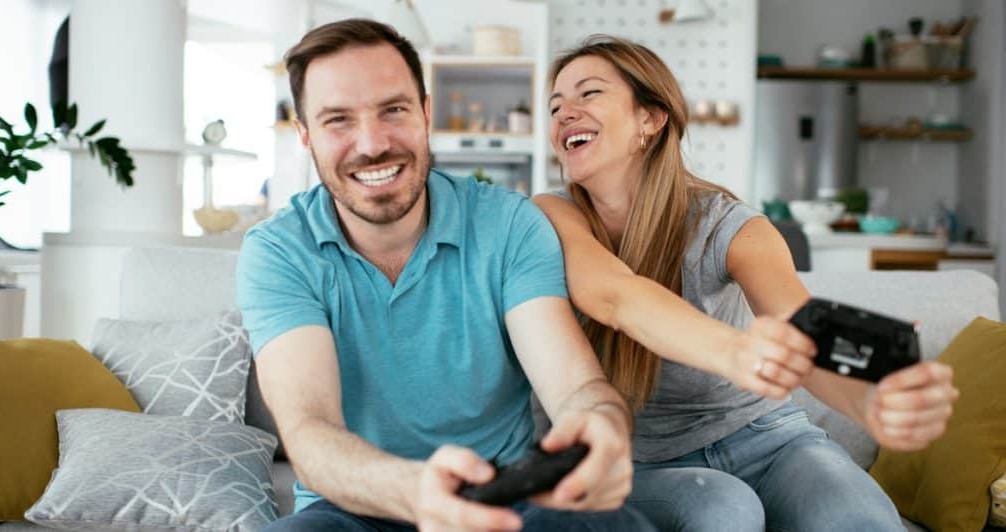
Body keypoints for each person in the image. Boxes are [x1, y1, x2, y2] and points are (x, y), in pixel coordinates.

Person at [236, 20, 654, 532]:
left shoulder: (508, 223)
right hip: (354, 509)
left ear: (426, 112)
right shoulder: (278, 250)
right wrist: (414, 492)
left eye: (393, 110)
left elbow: (575, 388)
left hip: (507, 497)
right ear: (305, 135)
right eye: (338, 120)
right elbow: (310, 431)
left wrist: (602, 425)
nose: (372, 144)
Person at [536, 34, 959, 531]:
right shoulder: (551, 216)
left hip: (769, 437)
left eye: (588, 94)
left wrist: (868, 403)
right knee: (723, 510)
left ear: (650, 118)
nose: (565, 112)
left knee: (854, 515)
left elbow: (801, 331)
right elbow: (614, 295)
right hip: (648, 461)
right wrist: (742, 352)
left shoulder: (727, 224)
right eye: (555, 104)